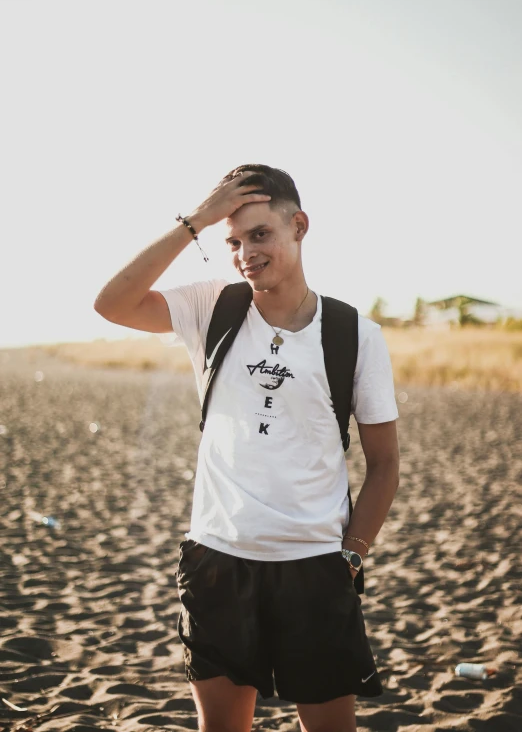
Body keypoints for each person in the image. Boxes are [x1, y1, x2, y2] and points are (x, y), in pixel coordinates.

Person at [94, 164, 400, 732]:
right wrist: (196, 221)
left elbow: (384, 465)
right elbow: (111, 303)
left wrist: (352, 556)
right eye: (231, 241)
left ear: (299, 226)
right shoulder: (214, 308)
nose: (244, 253)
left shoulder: (355, 334)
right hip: (217, 560)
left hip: (313, 566)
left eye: (259, 235)